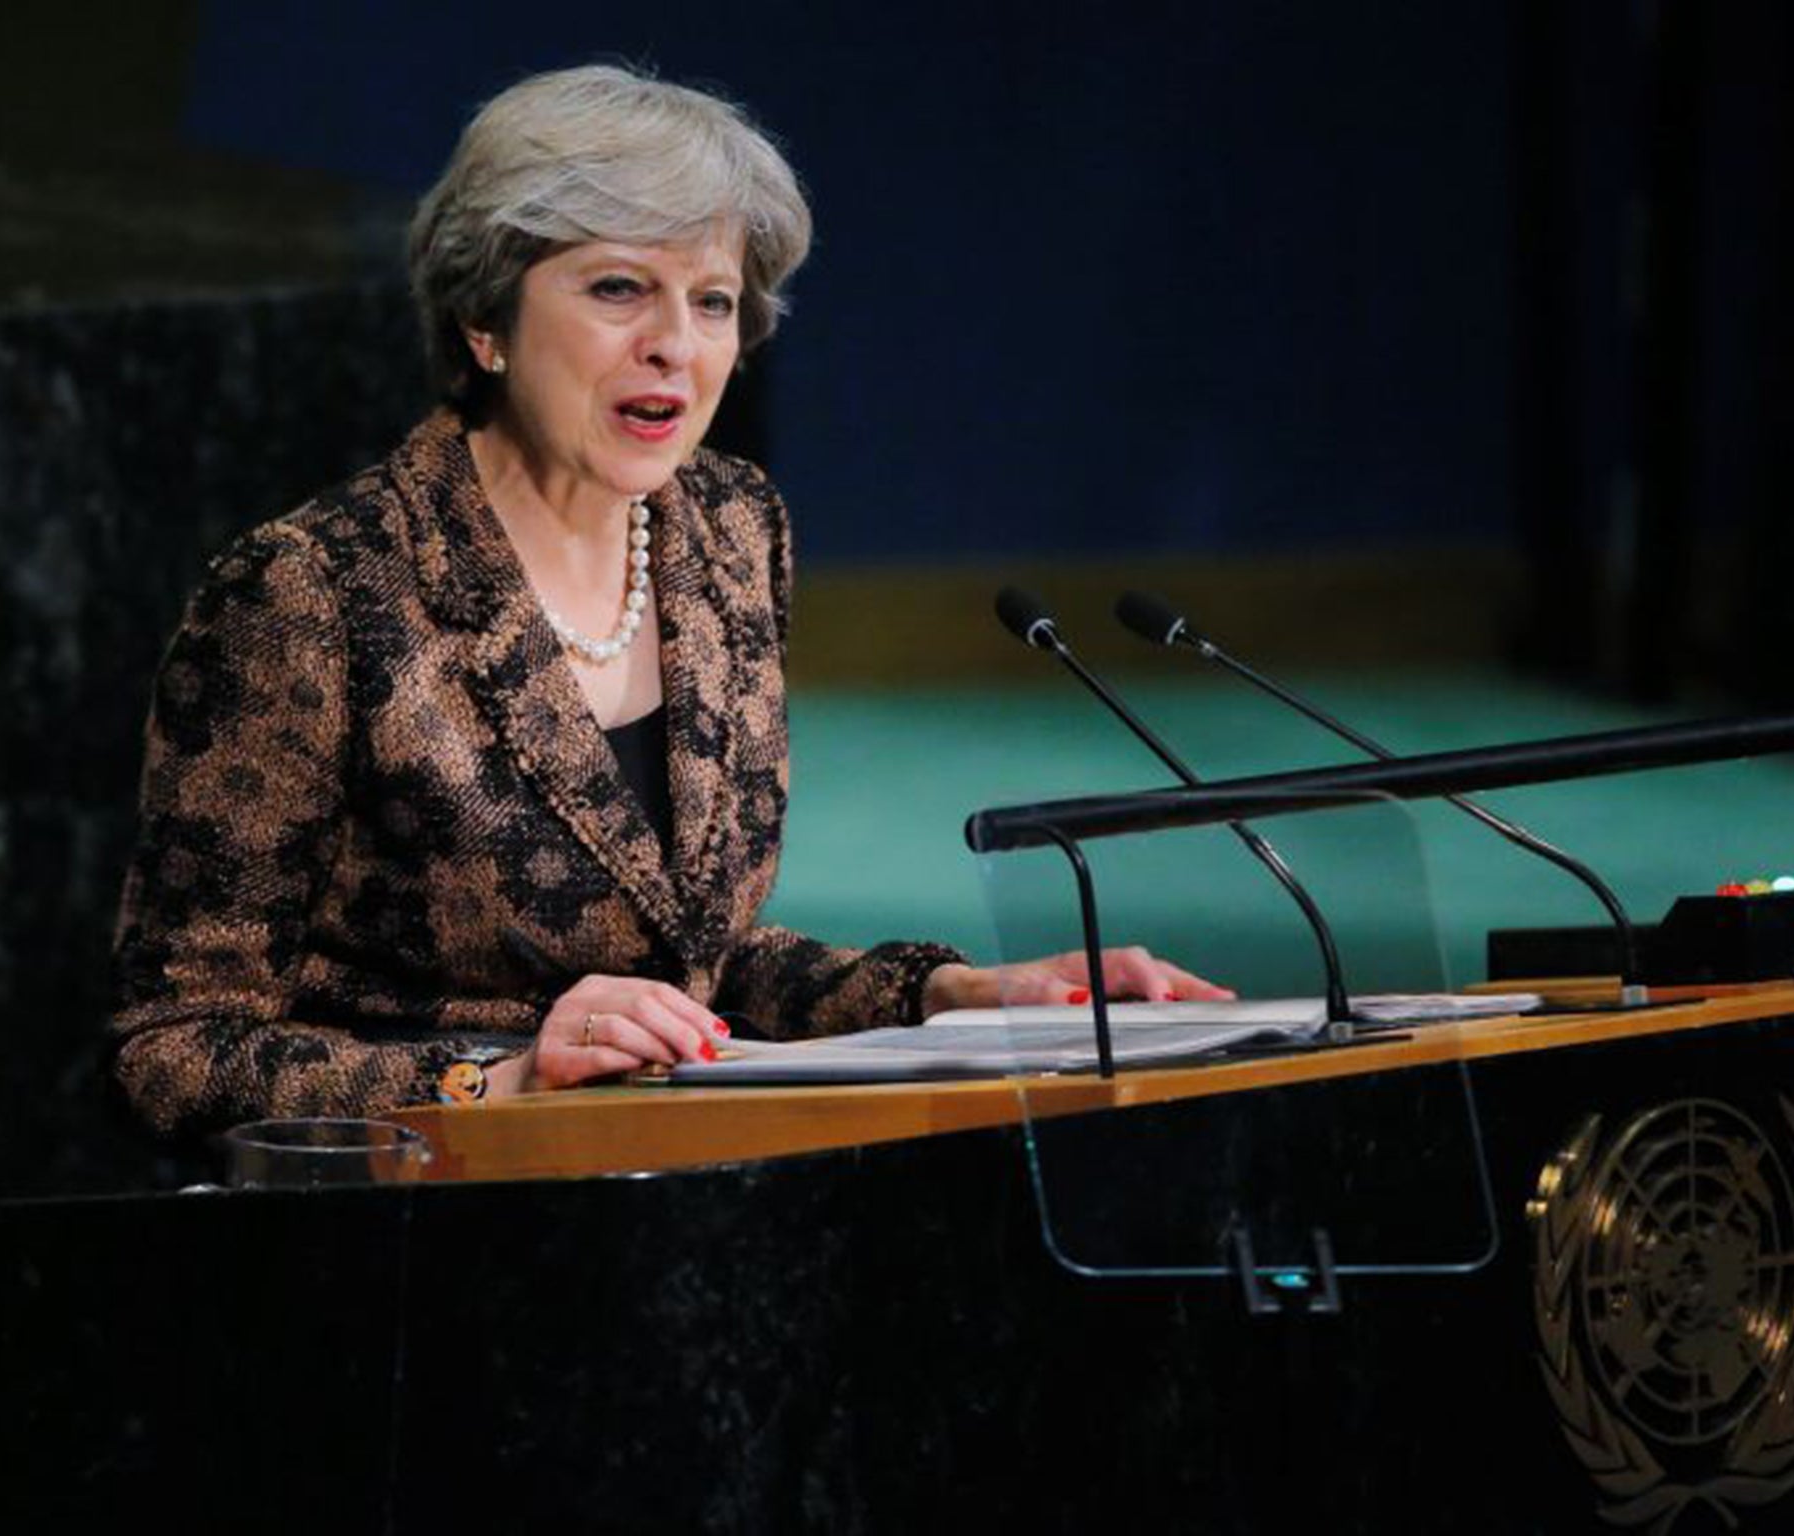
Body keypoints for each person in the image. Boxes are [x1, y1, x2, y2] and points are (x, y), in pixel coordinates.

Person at [109, 64, 1227, 1136]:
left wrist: (958, 997)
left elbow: (692, 961)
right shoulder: (311, 592)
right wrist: (496, 1082)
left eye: (711, 302)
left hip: (663, 1190)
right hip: (420, 1221)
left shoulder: (729, 531)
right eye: (616, 290)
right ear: (482, 323)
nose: (672, 348)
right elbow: (176, 1046)